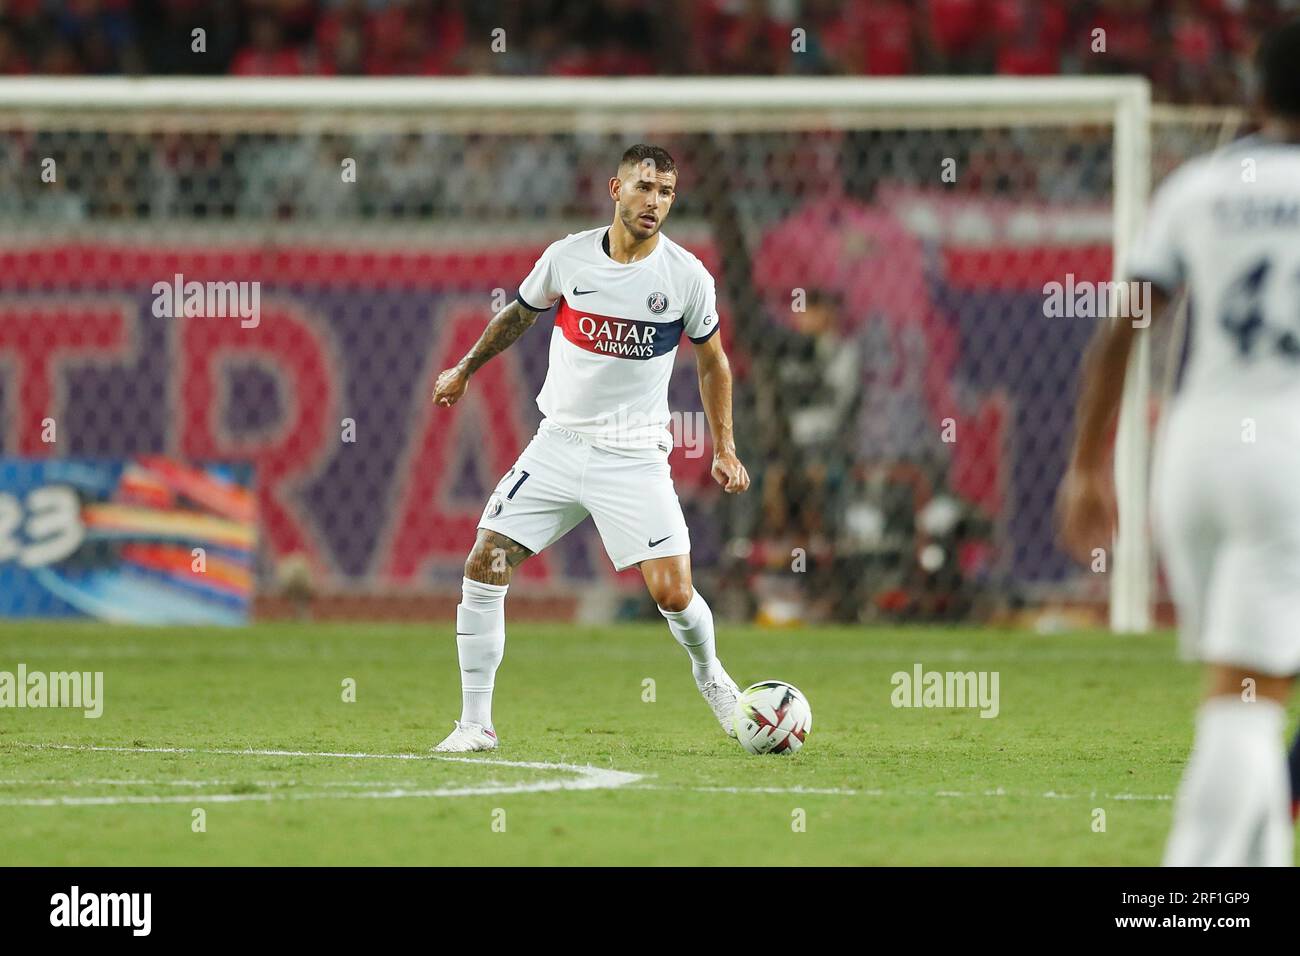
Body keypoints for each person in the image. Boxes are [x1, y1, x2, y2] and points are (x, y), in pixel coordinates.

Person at [1058, 20, 1300, 865]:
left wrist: (1088, 463)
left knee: (1247, 685)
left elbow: (1125, 325)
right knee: (1251, 697)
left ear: (1256, 92)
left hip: (1196, 454)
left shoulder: (1202, 187)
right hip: (1288, 457)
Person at [429, 144, 751, 752]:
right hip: (558, 443)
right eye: (643, 187)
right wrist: (466, 367)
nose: (654, 201)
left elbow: (713, 363)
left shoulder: (686, 278)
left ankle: (714, 680)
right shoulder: (568, 257)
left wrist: (724, 448)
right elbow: (519, 317)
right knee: (485, 562)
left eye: (665, 192)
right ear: (615, 188)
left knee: (673, 593)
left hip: (632, 453)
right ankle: (475, 723)